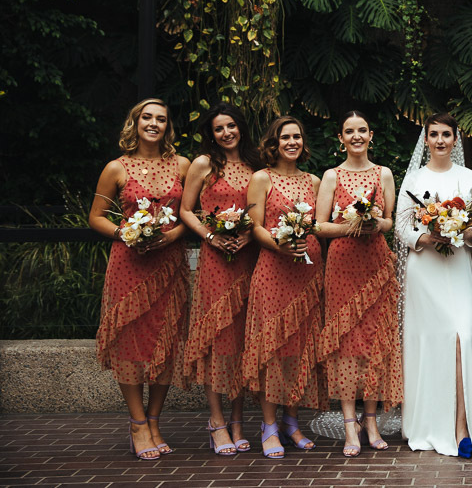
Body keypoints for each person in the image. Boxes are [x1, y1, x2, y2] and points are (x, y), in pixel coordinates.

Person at [89, 98, 191, 460]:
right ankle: (137, 425)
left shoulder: (182, 165)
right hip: (129, 265)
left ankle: (154, 420)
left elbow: (191, 214)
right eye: (146, 117)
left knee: (165, 343)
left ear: (167, 127)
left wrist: (175, 234)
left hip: (168, 265)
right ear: (135, 123)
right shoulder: (116, 168)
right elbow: (96, 217)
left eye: (160, 119)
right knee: (130, 345)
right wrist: (125, 233)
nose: (153, 123)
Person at [395, 112, 472, 458]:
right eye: (434, 134)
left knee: (461, 336)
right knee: (428, 342)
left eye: (446, 134)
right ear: (426, 139)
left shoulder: (467, 177)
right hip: (425, 271)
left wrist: (461, 231)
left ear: (455, 139)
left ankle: (461, 428)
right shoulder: (413, 180)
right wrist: (428, 237)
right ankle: (426, 424)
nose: (440, 141)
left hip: (458, 267)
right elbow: (403, 228)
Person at [315, 110, 403, 457]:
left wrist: (376, 223)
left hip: (376, 266)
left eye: (362, 130)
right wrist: (352, 225)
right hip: (342, 267)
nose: (356, 136)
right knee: (347, 345)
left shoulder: (384, 173)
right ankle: (350, 422)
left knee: (374, 343)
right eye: (349, 131)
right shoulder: (331, 176)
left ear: (370, 136)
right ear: (341, 138)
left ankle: (371, 420)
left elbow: (390, 221)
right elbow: (319, 226)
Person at [179, 103, 262, 455]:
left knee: (242, 340)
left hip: (249, 259)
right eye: (218, 128)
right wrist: (211, 237)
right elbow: (186, 209)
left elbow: (262, 211)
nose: (226, 133)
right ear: (210, 134)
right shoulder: (203, 164)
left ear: (241, 128)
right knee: (218, 341)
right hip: (216, 262)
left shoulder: (256, 165)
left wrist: (249, 235)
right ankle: (216, 421)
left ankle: (239, 421)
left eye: (231, 126)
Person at [242, 116, 327, 459]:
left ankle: (292, 422)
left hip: (308, 273)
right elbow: (255, 227)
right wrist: (279, 244)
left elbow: (320, 224)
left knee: (300, 348)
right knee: (272, 349)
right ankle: (269, 426)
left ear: (303, 143)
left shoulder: (315, 180)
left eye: (296, 137)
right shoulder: (261, 178)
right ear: (273, 143)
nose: (291, 142)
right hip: (274, 271)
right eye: (284, 137)